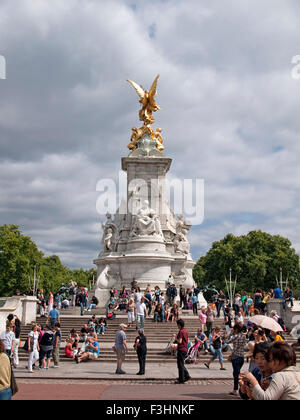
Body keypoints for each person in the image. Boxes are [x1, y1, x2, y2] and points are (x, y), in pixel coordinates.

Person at [227, 324, 247, 396]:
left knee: (236, 374)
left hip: (235, 356)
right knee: (237, 373)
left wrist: (230, 333)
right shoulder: (244, 336)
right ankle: (238, 388)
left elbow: (227, 341)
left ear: (236, 329)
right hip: (241, 357)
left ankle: (239, 389)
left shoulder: (235, 336)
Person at [175, 319, 191, 384]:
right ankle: (185, 376)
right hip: (185, 349)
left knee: (180, 365)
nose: (177, 326)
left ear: (179, 325)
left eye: (177, 325)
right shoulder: (185, 331)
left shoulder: (181, 332)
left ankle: (182, 378)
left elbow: (180, 341)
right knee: (181, 364)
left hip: (181, 349)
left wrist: (175, 338)